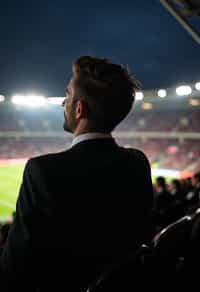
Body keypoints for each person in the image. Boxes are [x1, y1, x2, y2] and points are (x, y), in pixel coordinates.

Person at [0, 56, 154, 291]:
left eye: (68, 95)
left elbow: (15, 268)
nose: (64, 102)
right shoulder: (138, 162)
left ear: (80, 109)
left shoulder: (42, 171)